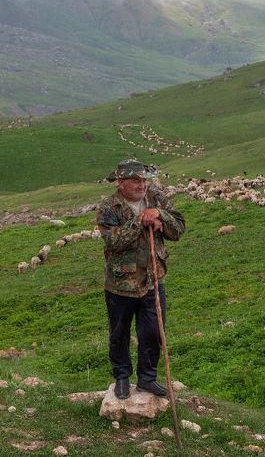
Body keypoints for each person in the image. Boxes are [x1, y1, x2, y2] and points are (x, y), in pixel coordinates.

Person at [96, 160, 186, 399]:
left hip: (153, 280)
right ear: (121, 183)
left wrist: (159, 215)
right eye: (136, 180)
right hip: (120, 284)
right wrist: (140, 221)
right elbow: (114, 241)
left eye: (144, 180)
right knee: (119, 334)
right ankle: (122, 377)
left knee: (153, 332)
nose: (142, 185)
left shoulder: (156, 199)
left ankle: (147, 379)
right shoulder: (109, 208)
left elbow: (178, 229)